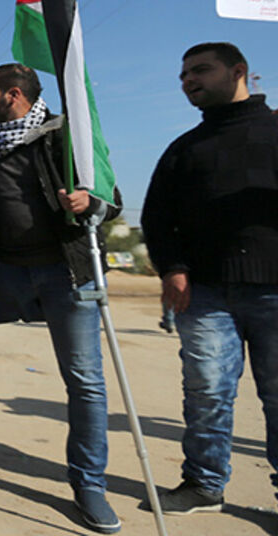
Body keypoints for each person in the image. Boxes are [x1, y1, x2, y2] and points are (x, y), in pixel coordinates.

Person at [0, 63, 123, 534]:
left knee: (84, 380)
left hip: (65, 272)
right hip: (10, 271)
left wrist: (90, 202)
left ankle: (89, 484)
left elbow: (112, 200)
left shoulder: (67, 135)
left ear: (12, 95)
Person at [141, 42, 278, 515]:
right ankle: (203, 484)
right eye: (183, 76)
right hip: (204, 294)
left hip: (274, 290)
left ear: (238, 71)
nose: (189, 81)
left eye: (200, 70)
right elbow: (156, 218)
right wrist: (173, 268)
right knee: (206, 392)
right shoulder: (184, 149)